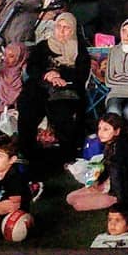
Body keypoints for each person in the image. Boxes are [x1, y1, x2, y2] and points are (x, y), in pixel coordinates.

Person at [17, 12, 90, 163]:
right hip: (41, 85)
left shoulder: (80, 49)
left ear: (73, 30)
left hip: (67, 88)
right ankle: (27, 152)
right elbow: (31, 67)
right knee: (27, 105)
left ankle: (67, 156)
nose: (61, 31)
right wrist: (47, 74)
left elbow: (81, 74)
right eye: (59, 26)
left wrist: (59, 74)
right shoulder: (43, 46)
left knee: (62, 110)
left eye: (66, 28)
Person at [66, 113, 128, 213]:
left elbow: (120, 181)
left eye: (106, 129)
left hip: (120, 195)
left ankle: (108, 199)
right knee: (70, 198)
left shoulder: (120, 150)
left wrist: (117, 200)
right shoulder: (111, 145)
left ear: (117, 131)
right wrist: (97, 183)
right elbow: (106, 170)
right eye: (99, 129)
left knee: (78, 204)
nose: (100, 133)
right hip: (109, 186)